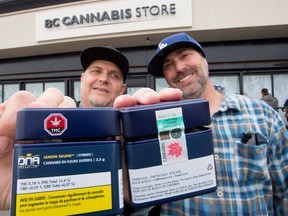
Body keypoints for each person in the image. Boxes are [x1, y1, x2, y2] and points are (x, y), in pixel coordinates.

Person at [116, 32, 288, 215]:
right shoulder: (157, 124)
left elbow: (284, 191)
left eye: (184, 56)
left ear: (204, 59)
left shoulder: (263, 114)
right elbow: (147, 201)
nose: (179, 67)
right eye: (168, 65)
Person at [0, 46, 129, 212]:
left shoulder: (129, 137)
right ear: (82, 78)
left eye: (114, 75)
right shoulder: (43, 132)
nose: (103, 78)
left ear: (123, 88)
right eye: (96, 71)